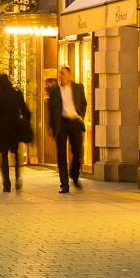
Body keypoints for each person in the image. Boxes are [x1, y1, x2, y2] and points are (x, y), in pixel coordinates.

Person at [0, 73, 34, 194]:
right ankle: (18, 177)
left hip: (3, 129)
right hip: (15, 128)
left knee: (4, 157)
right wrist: (25, 123)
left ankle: (6, 184)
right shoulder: (16, 94)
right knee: (16, 154)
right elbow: (25, 111)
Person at [47, 65, 88, 193]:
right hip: (61, 123)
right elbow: (51, 110)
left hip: (74, 121)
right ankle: (64, 184)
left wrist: (80, 115)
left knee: (77, 152)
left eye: (63, 74)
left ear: (69, 75)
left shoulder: (78, 88)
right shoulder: (54, 90)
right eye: (60, 74)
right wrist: (51, 126)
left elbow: (83, 103)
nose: (61, 76)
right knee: (61, 154)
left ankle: (74, 176)